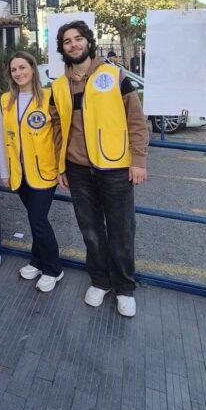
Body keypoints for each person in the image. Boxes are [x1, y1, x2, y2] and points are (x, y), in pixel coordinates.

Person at [50, 21, 148, 317]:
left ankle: (125, 288)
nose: (74, 44)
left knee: (121, 230)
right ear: (62, 48)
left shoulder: (114, 76)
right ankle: (100, 281)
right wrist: (60, 166)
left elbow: (136, 120)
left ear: (89, 42)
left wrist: (138, 160)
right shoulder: (58, 86)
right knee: (90, 230)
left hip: (115, 167)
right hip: (77, 170)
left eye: (78, 38)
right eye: (67, 41)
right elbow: (57, 129)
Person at [0, 51, 63, 292]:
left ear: (33, 69)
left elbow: (60, 136)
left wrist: (62, 168)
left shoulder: (49, 98)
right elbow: (2, 138)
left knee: (38, 220)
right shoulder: (6, 100)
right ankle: (37, 260)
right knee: (36, 219)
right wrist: (4, 171)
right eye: (14, 69)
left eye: (22, 67)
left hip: (44, 172)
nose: (19, 73)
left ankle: (53, 269)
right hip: (19, 173)